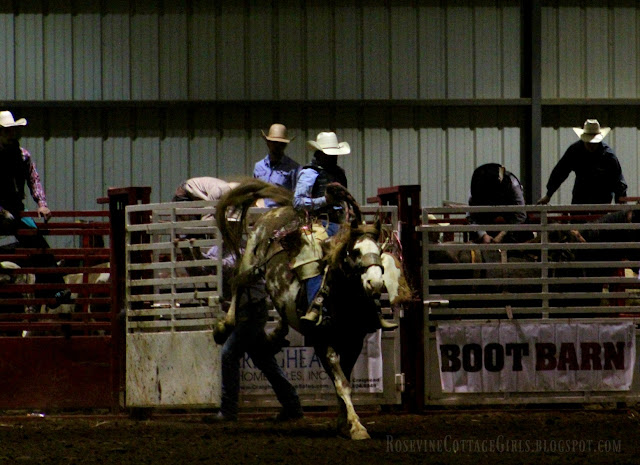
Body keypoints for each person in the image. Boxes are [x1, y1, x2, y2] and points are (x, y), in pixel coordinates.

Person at [175, 179, 302, 422]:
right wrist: (188, 256)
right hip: (244, 311)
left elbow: (225, 270)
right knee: (263, 361)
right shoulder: (221, 248)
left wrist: (197, 258)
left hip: (251, 311)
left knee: (229, 354)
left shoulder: (245, 250)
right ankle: (292, 405)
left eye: (233, 225)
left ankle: (229, 410)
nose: (231, 229)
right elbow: (208, 273)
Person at [293, 131, 397, 331]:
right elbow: (298, 202)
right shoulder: (310, 173)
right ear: (320, 153)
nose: (334, 156)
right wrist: (325, 201)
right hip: (318, 224)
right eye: (330, 153)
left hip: (341, 225)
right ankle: (316, 308)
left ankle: (375, 310)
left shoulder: (339, 173)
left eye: (335, 153)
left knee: (364, 256)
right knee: (316, 259)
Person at [0, 110, 70, 308]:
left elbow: (33, 179)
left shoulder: (22, 156)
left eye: (13, 131)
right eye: (7, 132)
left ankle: (55, 290)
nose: (11, 135)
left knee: (39, 243)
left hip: (16, 208)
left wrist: (42, 204)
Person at [537, 119, 627, 206]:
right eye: (589, 143)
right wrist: (549, 194)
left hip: (601, 200)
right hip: (580, 198)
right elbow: (560, 172)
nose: (591, 146)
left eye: (594, 143)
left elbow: (618, 182)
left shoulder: (608, 156)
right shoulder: (575, 151)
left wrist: (621, 207)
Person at [467, 163, 531, 244]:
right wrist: (483, 234)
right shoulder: (476, 189)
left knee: (523, 239)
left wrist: (503, 233)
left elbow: (521, 215)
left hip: (511, 219)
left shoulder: (513, 185)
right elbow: (471, 217)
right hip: (484, 219)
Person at [253, 123, 300, 207]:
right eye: (274, 143)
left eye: (281, 143)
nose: (277, 146)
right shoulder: (259, 166)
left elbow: (296, 196)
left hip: (281, 214)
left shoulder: (294, 168)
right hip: (259, 212)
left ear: (285, 145)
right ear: (268, 143)